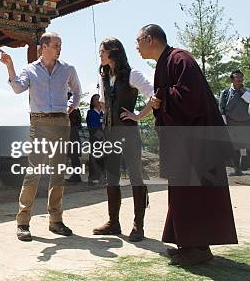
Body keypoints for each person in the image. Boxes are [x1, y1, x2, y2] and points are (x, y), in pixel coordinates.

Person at [134, 23, 237, 265]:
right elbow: (172, 94)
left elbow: (191, 98)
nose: (137, 46)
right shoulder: (166, 61)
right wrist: (162, 99)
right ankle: (188, 243)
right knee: (182, 194)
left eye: (138, 41)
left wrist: (161, 99)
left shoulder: (181, 59)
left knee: (194, 194)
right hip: (184, 141)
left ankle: (199, 248)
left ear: (150, 39)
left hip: (197, 142)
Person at [0, 31, 81, 241]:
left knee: (58, 172)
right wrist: (10, 65)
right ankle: (23, 222)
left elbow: (78, 92)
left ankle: (55, 221)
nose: (59, 48)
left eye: (60, 45)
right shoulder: (30, 70)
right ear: (44, 46)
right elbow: (18, 88)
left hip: (62, 122)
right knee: (33, 172)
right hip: (39, 122)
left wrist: (71, 107)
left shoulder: (68, 69)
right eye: (56, 44)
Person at [92, 37, 154, 242]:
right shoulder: (104, 76)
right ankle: (113, 223)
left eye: (102, 51)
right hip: (110, 134)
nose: (99, 54)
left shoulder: (132, 74)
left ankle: (139, 225)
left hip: (128, 133)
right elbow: (102, 103)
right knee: (111, 178)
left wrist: (137, 116)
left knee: (136, 177)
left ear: (113, 52)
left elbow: (154, 96)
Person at [219, 70, 250, 176]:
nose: (239, 79)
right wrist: (225, 123)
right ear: (232, 79)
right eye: (237, 77)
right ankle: (237, 169)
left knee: (247, 146)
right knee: (235, 148)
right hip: (232, 124)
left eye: (241, 77)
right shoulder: (226, 92)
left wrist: (242, 91)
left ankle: (246, 167)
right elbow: (222, 108)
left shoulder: (246, 91)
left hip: (246, 123)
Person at [86, 94, 105, 185]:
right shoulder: (90, 112)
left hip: (105, 140)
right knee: (94, 158)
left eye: (99, 99)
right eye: (96, 99)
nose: (98, 100)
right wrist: (101, 135)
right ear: (92, 102)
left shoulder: (104, 112)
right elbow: (92, 127)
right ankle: (92, 178)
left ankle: (102, 178)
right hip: (95, 139)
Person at [66, 92, 83, 183]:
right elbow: (79, 122)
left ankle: (76, 176)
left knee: (73, 156)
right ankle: (76, 175)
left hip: (70, 133)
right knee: (74, 156)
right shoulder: (75, 107)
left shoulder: (66, 107)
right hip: (73, 133)